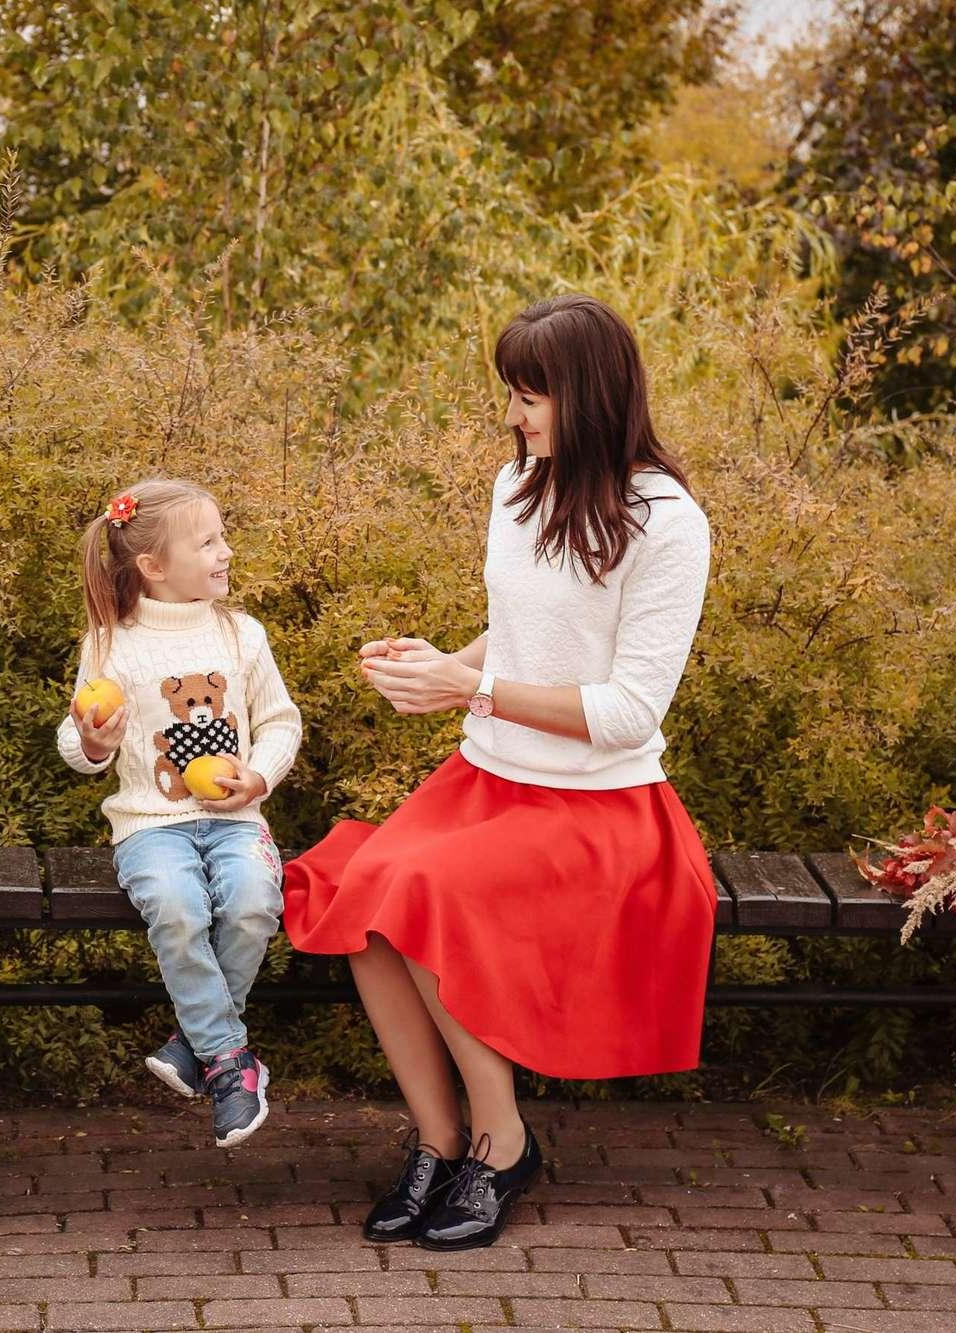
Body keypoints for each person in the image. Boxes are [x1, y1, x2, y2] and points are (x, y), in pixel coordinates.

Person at [281, 294, 716, 1249]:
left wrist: (467, 690)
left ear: (593, 395)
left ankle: (503, 1141)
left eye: (533, 396)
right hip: (488, 781)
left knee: (423, 888)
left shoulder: (669, 522)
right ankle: (441, 1138)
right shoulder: (516, 484)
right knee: (363, 889)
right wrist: (448, 663)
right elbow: (526, 639)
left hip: (601, 809)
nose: (515, 416)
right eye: (513, 394)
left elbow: (626, 712)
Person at [58, 479, 303, 1147]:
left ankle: (198, 1047)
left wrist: (258, 775)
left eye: (223, 536)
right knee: (177, 906)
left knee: (254, 900)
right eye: (209, 541)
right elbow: (76, 737)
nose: (227, 550)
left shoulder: (240, 634)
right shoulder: (110, 643)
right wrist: (91, 741)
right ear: (154, 566)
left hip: (237, 822)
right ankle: (231, 1061)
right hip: (149, 825)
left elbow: (282, 721)